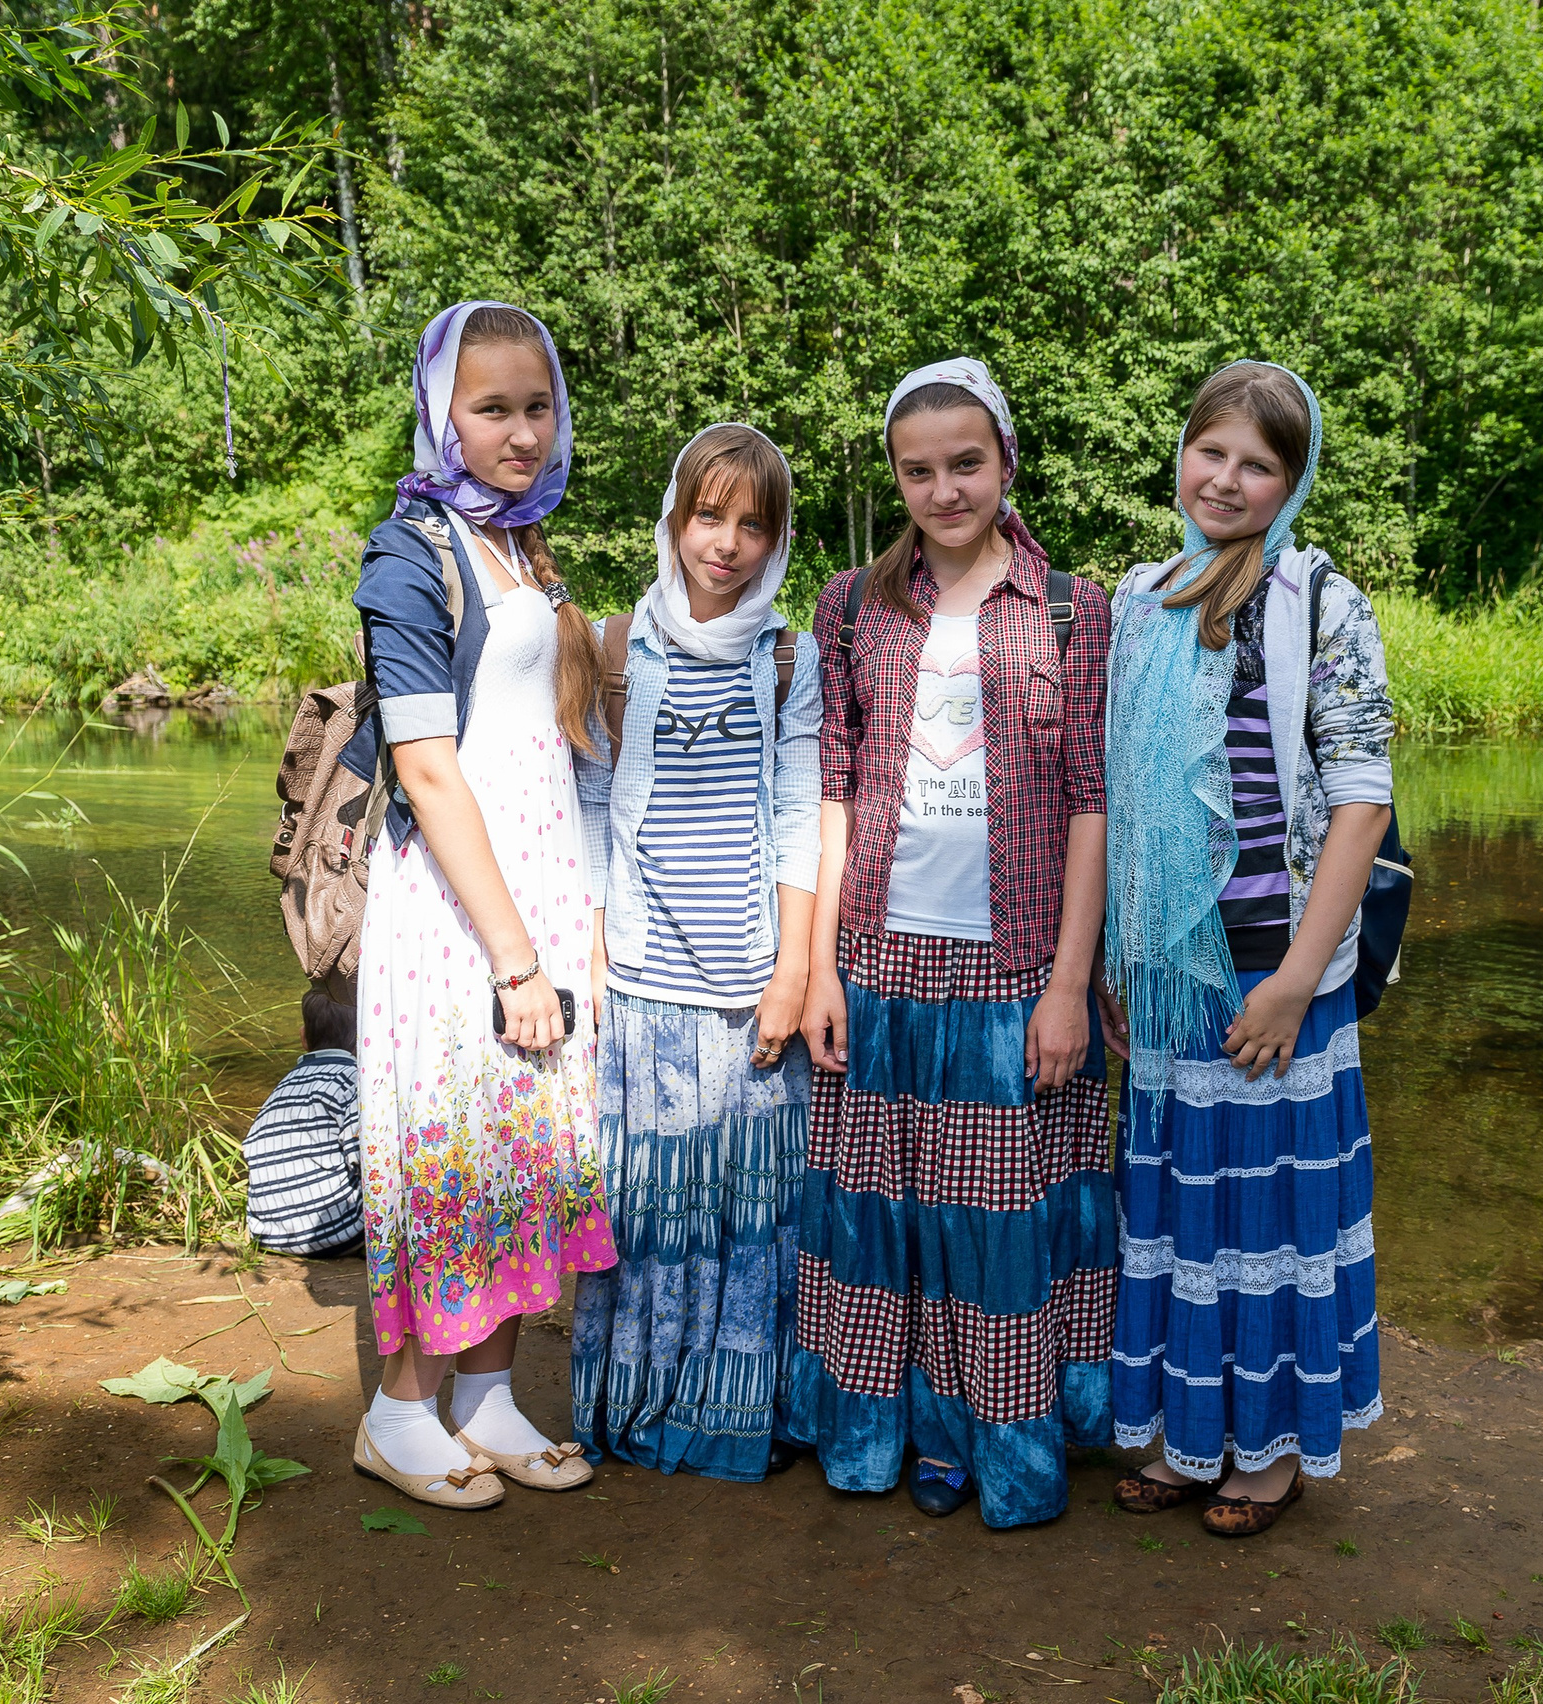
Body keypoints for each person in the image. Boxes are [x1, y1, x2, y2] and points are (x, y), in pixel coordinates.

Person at [789, 357, 1117, 1529]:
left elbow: (1090, 798)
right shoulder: (850, 606)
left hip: (1012, 968)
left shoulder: (1075, 608)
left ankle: (1011, 1449)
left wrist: (1069, 984)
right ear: (896, 479)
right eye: (918, 471)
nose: (943, 490)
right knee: (887, 1227)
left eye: (965, 464)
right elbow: (829, 787)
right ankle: (908, 1438)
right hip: (878, 961)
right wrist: (820, 964)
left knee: (992, 1233)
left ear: (1007, 463)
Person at [1101, 361, 1393, 1537]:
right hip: (1172, 980)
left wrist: (1285, 986)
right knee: (1178, 1216)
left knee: (1272, 1227)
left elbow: (1362, 802)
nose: (1224, 479)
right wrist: (1124, 964)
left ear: (1291, 481)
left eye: (1256, 463)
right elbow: (1121, 797)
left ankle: (1266, 1456)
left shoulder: (1321, 603)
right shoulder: (1144, 596)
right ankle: (1186, 1432)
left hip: (1277, 976)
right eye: (1209, 450)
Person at [346, 301, 615, 1510]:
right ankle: (400, 1408)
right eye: (490, 407)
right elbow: (426, 765)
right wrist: (513, 957)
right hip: (462, 914)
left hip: (541, 890)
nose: (517, 431)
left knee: (524, 1142)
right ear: (441, 412)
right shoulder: (412, 550)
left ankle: (489, 1397)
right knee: (447, 1141)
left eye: (535, 405)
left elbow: (545, 714)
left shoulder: (524, 543)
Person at [570, 423, 823, 1481]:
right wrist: (587, 958)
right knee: (643, 1211)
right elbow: (585, 808)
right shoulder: (612, 646)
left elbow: (800, 812)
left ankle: (735, 1414)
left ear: (776, 538)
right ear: (673, 519)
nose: (725, 543)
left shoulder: (787, 656)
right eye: (706, 516)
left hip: (752, 985)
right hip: (639, 985)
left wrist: (795, 972)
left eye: (750, 524)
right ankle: (632, 1403)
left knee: (752, 1214)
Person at [242, 987, 365, 1258]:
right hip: (336, 1233)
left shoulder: (282, 1088)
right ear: (363, 1038)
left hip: (268, 1234)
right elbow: (365, 1158)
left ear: (304, 1038)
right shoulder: (353, 1080)